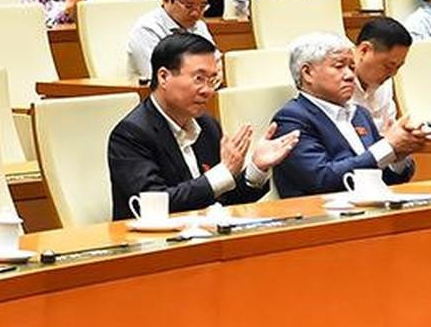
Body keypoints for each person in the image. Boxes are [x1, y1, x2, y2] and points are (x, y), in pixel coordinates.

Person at [106, 31, 297, 219]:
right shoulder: (131, 134)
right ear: (164, 77)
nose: (208, 90)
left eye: (212, 80)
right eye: (199, 78)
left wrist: (257, 168)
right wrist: (223, 172)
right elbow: (155, 206)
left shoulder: (206, 125)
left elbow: (224, 198)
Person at [271, 32, 427, 199]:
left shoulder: (360, 114)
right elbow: (321, 180)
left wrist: (397, 157)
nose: (350, 76)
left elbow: (385, 180)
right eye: (339, 66)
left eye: (352, 67)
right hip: (320, 217)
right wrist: (388, 147)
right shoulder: (292, 119)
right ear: (308, 73)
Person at [123, 0, 216, 83]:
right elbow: (159, 78)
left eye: (202, 6)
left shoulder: (199, 26)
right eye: (188, 6)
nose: (196, 13)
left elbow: (214, 61)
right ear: (166, 0)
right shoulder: (147, 30)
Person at [351, 16, 411, 132]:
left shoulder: (385, 82)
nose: (393, 73)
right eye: (388, 66)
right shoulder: (333, 81)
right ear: (364, 50)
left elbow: (389, 128)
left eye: (398, 67)